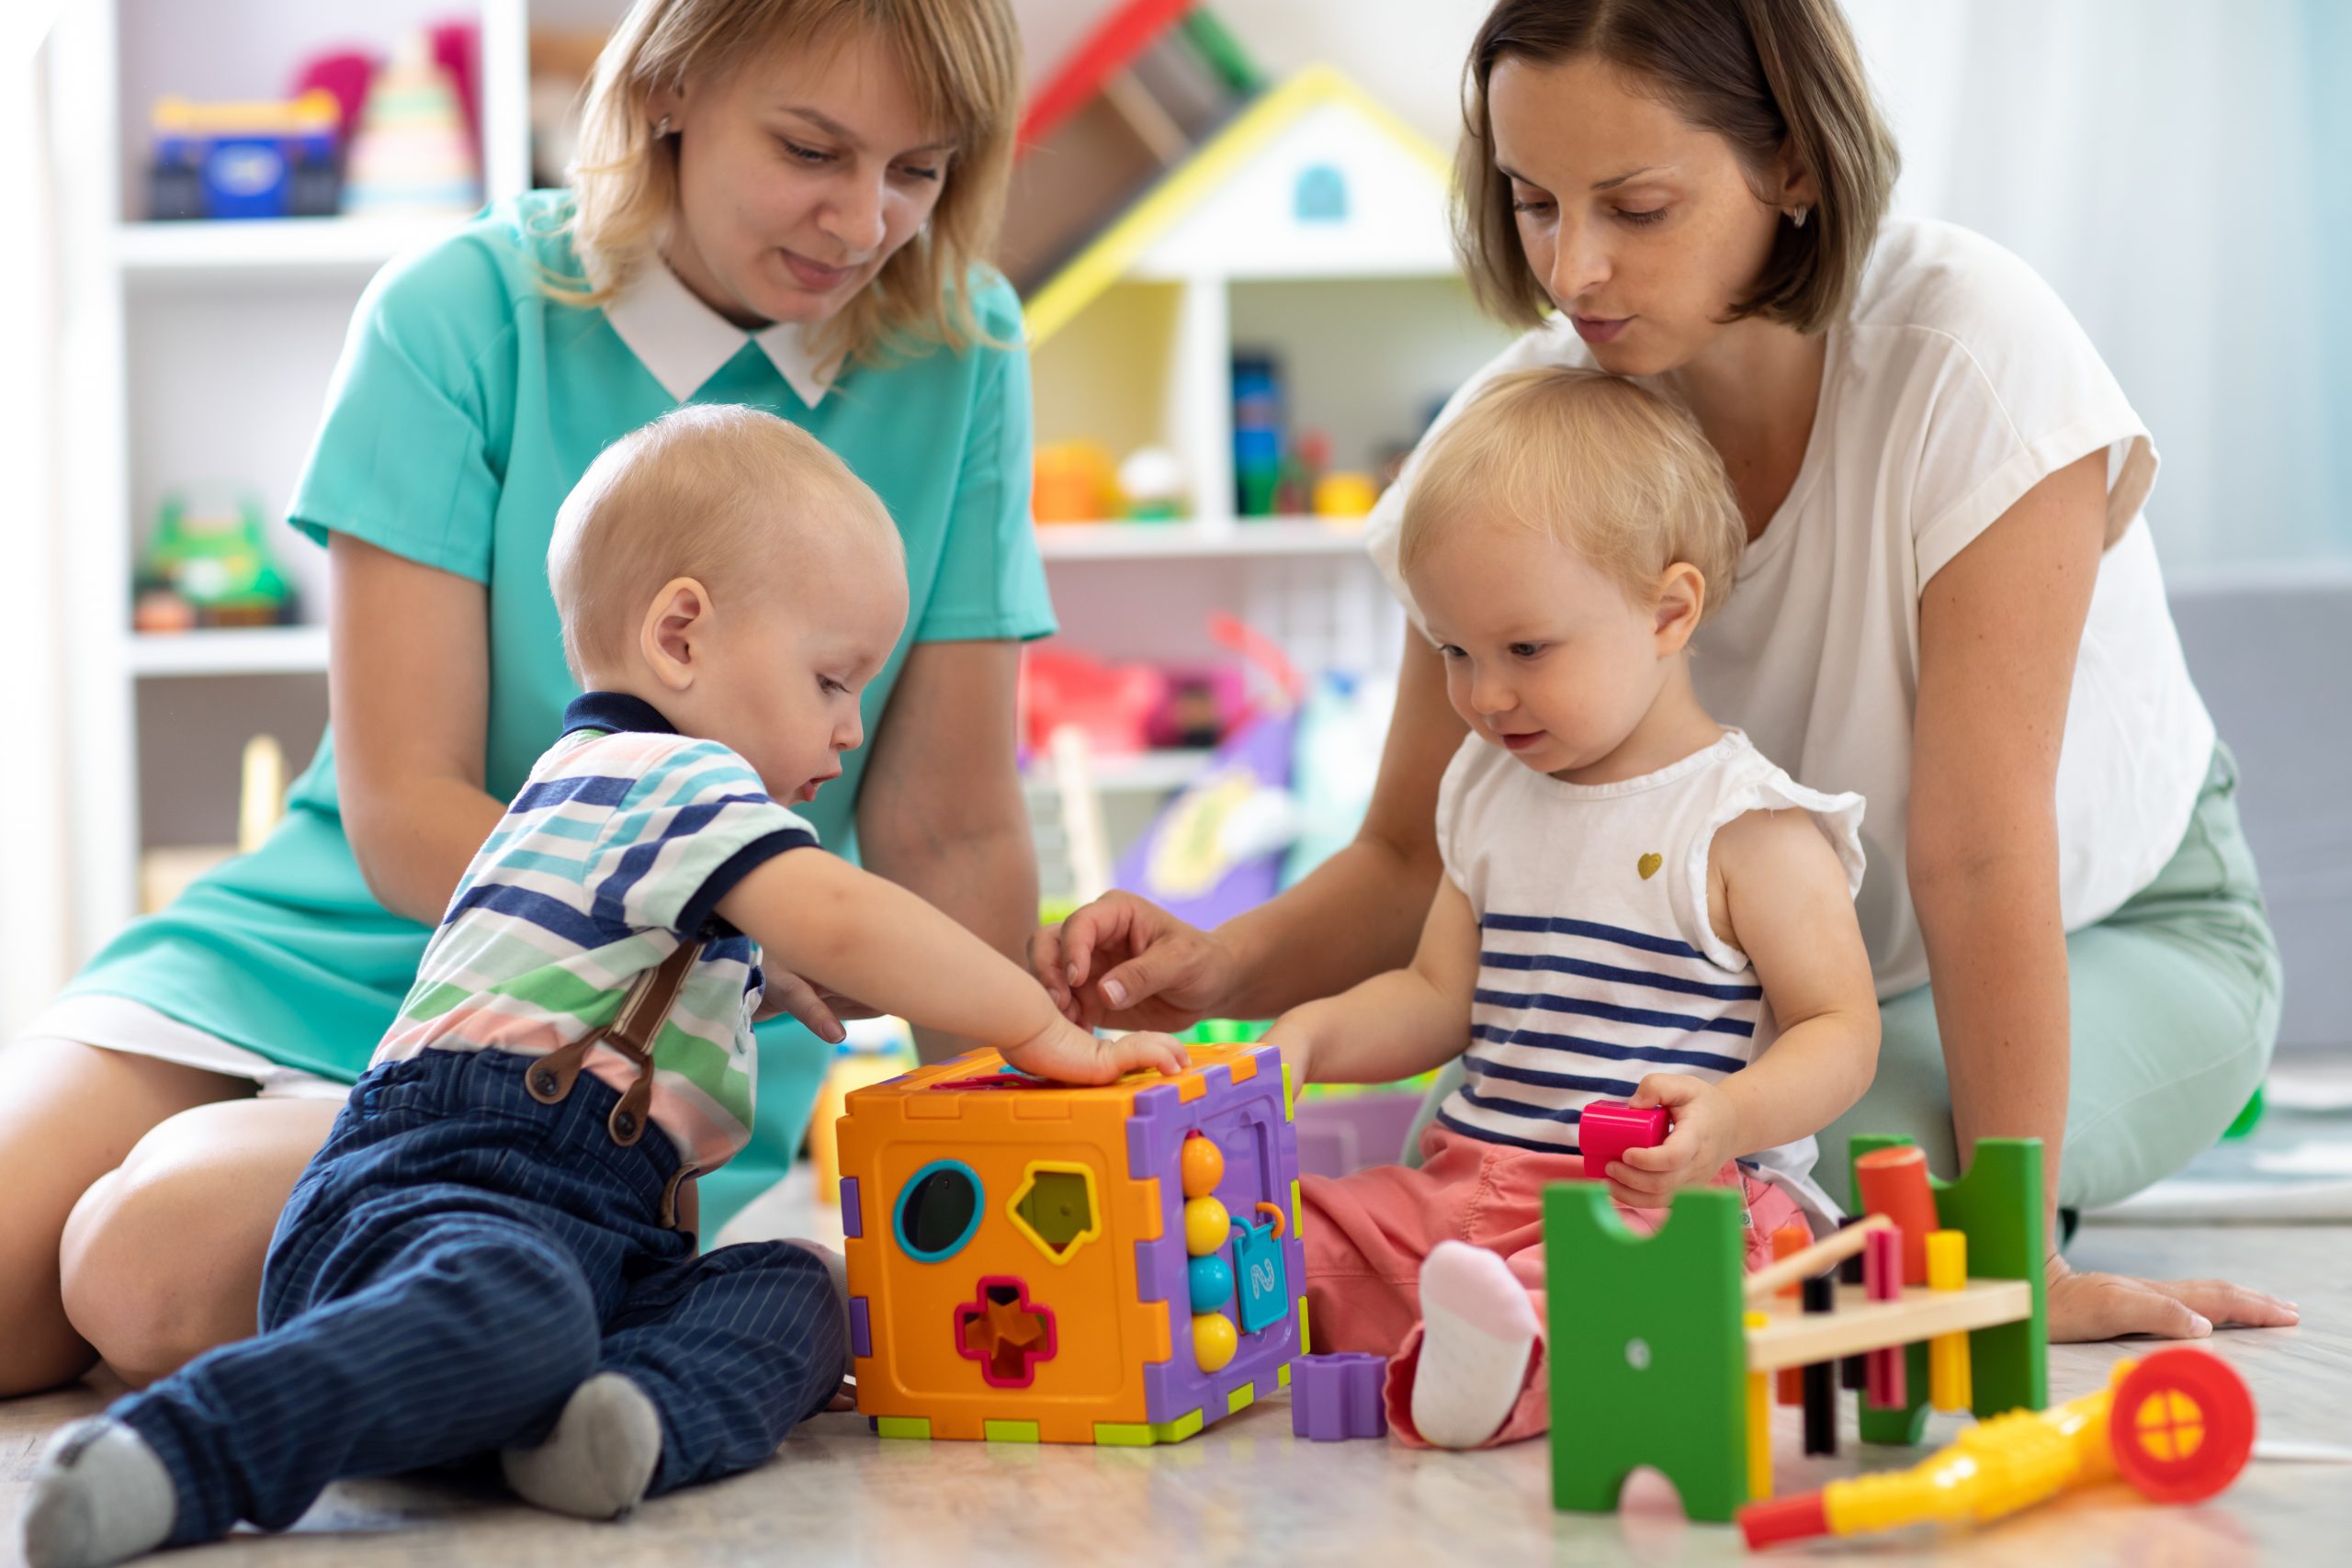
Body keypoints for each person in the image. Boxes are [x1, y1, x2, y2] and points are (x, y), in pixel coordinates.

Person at [1035, 0, 2297, 1344]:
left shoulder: (1972, 358)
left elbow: (1983, 855)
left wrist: (2011, 1265)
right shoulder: (1522, 437)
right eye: (1533, 202)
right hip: (1764, 998)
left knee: (1792, 1202)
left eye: (1636, 208)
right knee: (1501, 1172)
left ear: (1795, 164)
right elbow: (1411, 858)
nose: (1575, 269)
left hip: (2105, 927)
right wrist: (1214, 968)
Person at [0, 0, 1046, 1399]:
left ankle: (522, 1288)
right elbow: (402, 804)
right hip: (327, 941)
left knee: (140, 1270)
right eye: (812, 149)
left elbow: (950, 828)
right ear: (673, 88)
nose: (864, 221)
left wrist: (1031, 1154)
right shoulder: (460, 308)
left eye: (918, 170)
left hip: (607, 1033)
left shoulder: (960, 347)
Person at [17, 408, 1186, 1568]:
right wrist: (1038, 1029)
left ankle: (620, 1420)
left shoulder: (642, 830)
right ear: (681, 637)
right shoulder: (661, 776)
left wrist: (759, 980)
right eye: (831, 680)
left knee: (809, 1288)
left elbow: (653, 971)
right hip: (441, 1201)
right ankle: (180, 1451)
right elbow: (839, 905)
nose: (850, 729)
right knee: (517, 1300)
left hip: (599, 1243)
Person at [1268, 368, 1876, 1450]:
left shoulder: (1745, 823)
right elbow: (1434, 999)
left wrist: (1728, 1119)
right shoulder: (1486, 793)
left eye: (1525, 651)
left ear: (1668, 610)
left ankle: (1496, 1369)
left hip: (1666, 1205)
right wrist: (1310, 1036)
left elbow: (1841, 1030)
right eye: (1454, 651)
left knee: (1632, 1290)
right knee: (1292, 1237)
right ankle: (1456, 1340)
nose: (1483, 695)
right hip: (1467, 1194)